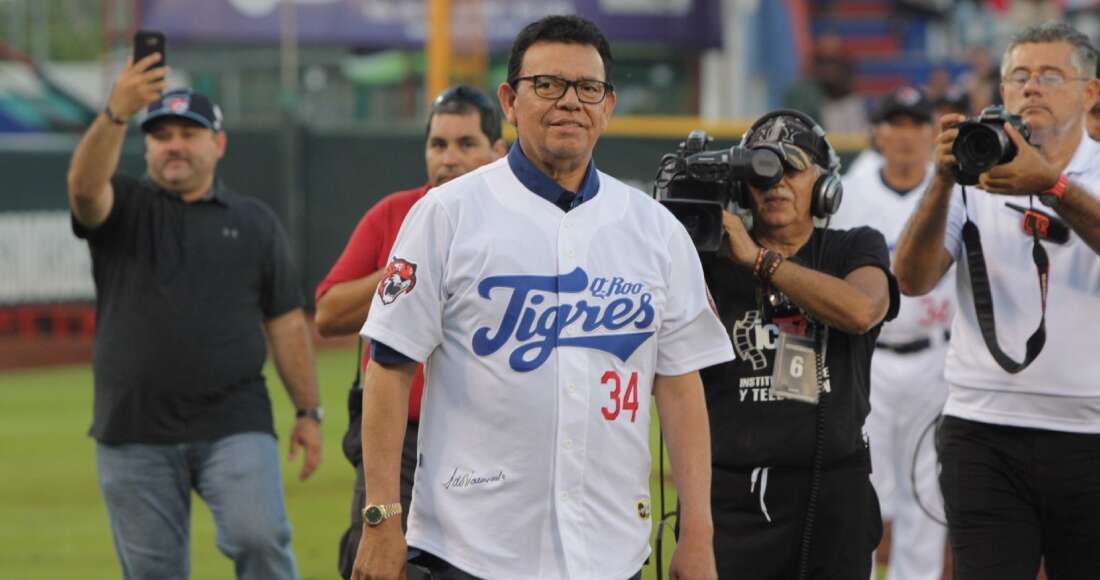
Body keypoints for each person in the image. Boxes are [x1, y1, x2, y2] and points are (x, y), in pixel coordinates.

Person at [351, 14, 733, 580]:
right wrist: (382, 519)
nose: (570, 102)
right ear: (509, 100)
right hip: (470, 548)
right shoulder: (446, 214)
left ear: (608, 105)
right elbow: (387, 367)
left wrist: (697, 531)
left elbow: (679, 388)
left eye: (588, 88)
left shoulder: (656, 231)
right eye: (547, 85)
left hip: (610, 549)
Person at [66, 53, 322, 580]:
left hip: (234, 421)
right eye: (162, 135)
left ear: (218, 144)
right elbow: (85, 191)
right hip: (133, 427)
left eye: (190, 132)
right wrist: (116, 112)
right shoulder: (124, 208)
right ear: (147, 145)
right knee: (154, 574)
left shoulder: (253, 222)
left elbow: (286, 322)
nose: (175, 144)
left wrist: (308, 411)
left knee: (261, 540)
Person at [893, 21, 1100, 579]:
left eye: (1051, 75)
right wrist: (941, 181)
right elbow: (911, 280)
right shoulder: (972, 168)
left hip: (1091, 429)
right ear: (1002, 92)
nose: (1032, 88)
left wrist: (1054, 186)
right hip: (982, 428)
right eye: (1019, 77)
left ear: (1091, 92)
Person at [314, 84, 506, 579]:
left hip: (488, 434)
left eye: (466, 144)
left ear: (498, 150)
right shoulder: (394, 215)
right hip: (397, 437)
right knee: (379, 562)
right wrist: (408, 268)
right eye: (438, 144)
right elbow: (329, 312)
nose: (448, 158)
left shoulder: (517, 224)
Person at [701, 109, 898, 579]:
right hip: (735, 496)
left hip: (833, 491)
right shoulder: (709, 259)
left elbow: (860, 310)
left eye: (792, 166)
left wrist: (760, 262)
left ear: (825, 184)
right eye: (758, 168)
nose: (775, 181)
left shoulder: (855, 247)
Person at [834, 87, 953, 580]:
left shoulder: (953, 188)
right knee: (858, 491)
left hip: (938, 360)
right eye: (895, 123)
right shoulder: (846, 190)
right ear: (877, 132)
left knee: (927, 496)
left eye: (916, 123)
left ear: (931, 133)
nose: (905, 135)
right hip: (868, 360)